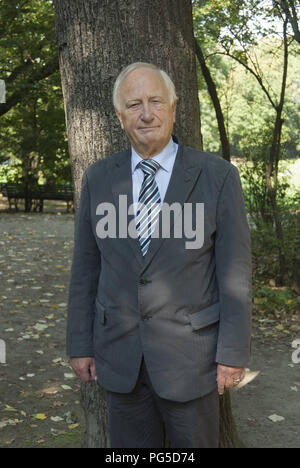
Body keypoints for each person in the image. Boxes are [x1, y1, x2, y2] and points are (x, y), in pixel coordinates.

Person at [67, 62, 252, 448]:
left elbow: (234, 272)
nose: (146, 113)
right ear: (120, 118)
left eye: (155, 101)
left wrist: (232, 354)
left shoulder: (216, 177)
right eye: (134, 105)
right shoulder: (99, 178)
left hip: (192, 360)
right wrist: (80, 344)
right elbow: (86, 269)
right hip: (120, 358)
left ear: (173, 107)